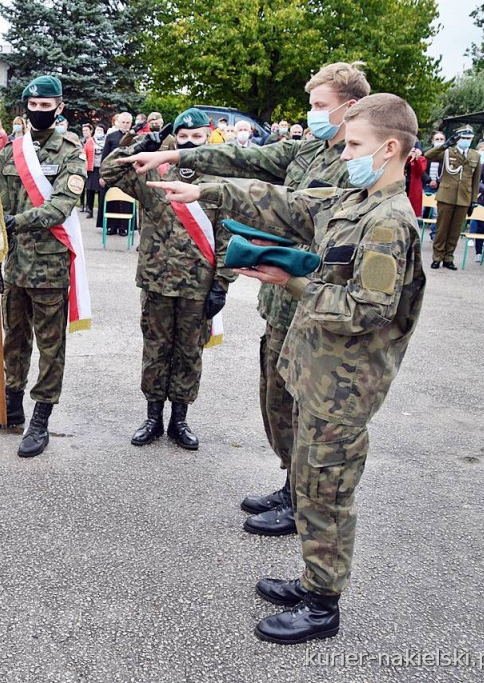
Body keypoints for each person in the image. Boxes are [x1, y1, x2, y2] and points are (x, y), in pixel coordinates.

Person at [153, 92, 426, 646]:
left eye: (354, 144)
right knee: (306, 480)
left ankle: (324, 604)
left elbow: (367, 310)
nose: (344, 153)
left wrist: (295, 283)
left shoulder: (389, 223)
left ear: (390, 147)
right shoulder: (355, 199)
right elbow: (285, 204)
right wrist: (205, 188)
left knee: (326, 491)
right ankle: (311, 580)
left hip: (344, 387)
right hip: (318, 373)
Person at [119, 61, 371, 538]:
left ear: (350, 107)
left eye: (320, 106)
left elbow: (284, 205)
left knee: (304, 407)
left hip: (317, 299)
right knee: (275, 398)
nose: (312, 113)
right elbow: (246, 159)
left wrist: (205, 189)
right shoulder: (310, 148)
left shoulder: (358, 164)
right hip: (282, 297)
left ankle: (303, 502)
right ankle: (290, 484)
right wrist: (177, 158)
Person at [102, 107, 234, 449]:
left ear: (209, 137)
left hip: (197, 283)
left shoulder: (221, 180)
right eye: (184, 137)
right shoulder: (153, 173)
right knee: (156, 350)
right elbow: (109, 170)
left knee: (190, 352)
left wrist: (222, 282)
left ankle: (180, 420)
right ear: (175, 138)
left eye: (197, 137)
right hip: (157, 280)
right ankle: (152, 418)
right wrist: (144, 141)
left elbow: (229, 235)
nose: (190, 143)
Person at [0, 75, 87, 458]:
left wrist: (15, 223)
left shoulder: (71, 150)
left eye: (46, 106)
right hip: (15, 262)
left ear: (59, 107)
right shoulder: (11, 151)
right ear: (26, 108)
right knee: (14, 339)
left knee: (50, 345)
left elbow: (59, 207)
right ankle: (12, 406)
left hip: (50, 265)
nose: (39, 112)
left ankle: (41, 419)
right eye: (33, 107)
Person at [423, 125, 482, 269]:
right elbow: (427, 155)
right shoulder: (448, 152)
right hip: (446, 196)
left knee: (455, 231)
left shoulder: (475, 155)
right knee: (442, 229)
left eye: (469, 138)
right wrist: (445, 145)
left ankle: (449, 257)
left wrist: (473, 200)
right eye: (463, 138)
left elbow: (476, 179)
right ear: (457, 139)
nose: (466, 141)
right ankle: (437, 257)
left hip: (464, 197)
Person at [98, 111, 133, 232]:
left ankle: (124, 227)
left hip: (128, 173)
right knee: (112, 200)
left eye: (127, 123)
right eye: (123, 122)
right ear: (118, 123)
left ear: (131, 124)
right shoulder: (111, 137)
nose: (125, 125)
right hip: (112, 173)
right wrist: (102, 175)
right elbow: (104, 157)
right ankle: (111, 226)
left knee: (125, 199)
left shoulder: (135, 138)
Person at [404, 141, 427, 217]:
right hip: (402, 186)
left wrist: (416, 159)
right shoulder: (402, 158)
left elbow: (419, 172)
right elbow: (401, 166)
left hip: (413, 189)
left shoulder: (422, 159)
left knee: (412, 213)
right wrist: (408, 157)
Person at [82, 122, 99, 218]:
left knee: (100, 191)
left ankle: (100, 211)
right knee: (89, 190)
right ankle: (89, 210)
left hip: (100, 169)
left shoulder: (103, 141)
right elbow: (84, 154)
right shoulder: (89, 142)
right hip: (91, 168)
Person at [425, 131, 444, 196]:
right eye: (437, 139)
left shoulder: (448, 153)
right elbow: (421, 169)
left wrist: (438, 182)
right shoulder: (426, 152)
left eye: (441, 139)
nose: (439, 141)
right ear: (432, 141)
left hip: (442, 187)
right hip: (426, 185)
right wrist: (429, 180)